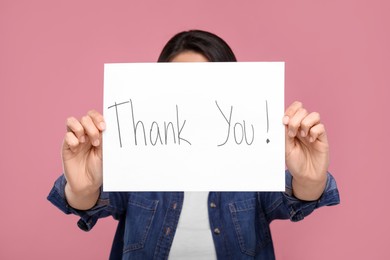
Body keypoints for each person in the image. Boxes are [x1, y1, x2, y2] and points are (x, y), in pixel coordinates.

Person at [48, 30, 340, 260]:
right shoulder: (137, 161)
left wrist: (310, 179)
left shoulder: (250, 164)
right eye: (180, 85)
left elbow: (295, 197)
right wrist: (83, 188)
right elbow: (90, 201)